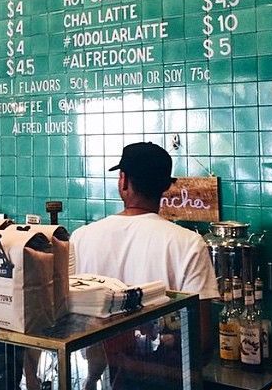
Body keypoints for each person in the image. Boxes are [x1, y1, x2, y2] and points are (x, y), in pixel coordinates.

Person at [70, 142, 218, 390]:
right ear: (167, 187)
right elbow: (200, 343)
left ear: (123, 181)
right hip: (164, 380)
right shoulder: (188, 243)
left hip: (98, 378)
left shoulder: (81, 237)